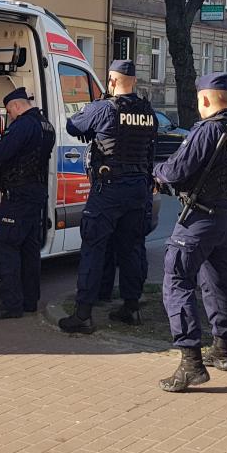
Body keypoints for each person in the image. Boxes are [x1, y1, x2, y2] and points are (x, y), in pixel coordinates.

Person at [152, 72, 227, 392]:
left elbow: (176, 170)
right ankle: (222, 350)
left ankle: (191, 363)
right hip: (225, 215)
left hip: (198, 218)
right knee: (217, 281)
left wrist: (156, 172)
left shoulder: (207, 130)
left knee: (177, 280)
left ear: (205, 98)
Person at [58, 59, 157, 334]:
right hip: (138, 189)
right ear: (134, 81)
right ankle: (131, 307)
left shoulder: (104, 108)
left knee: (94, 247)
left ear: (112, 81)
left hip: (109, 189)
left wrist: (93, 113)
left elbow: (73, 127)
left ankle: (83, 314)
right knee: (132, 248)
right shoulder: (148, 112)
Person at [0, 87, 56, 319]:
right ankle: (29, 301)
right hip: (36, 194)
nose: (10, 116)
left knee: (5, 247)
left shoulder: (23, 125)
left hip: (18, 195)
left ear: (15, 106)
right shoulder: (46, 125)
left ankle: (11, 304)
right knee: (29, 249)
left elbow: (2, 153)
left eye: (10, 111)